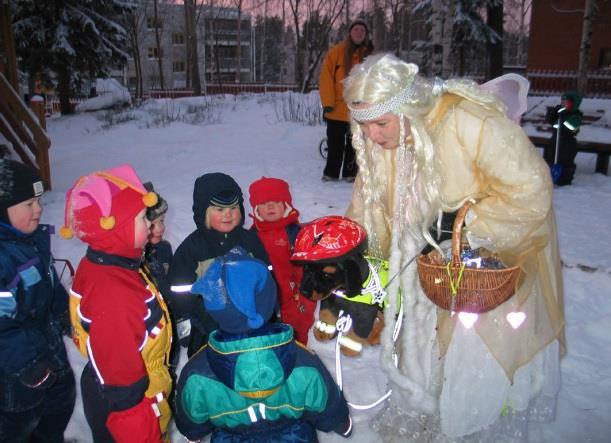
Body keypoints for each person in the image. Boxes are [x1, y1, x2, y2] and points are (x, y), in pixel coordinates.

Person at [342, 53, 565, 440]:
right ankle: (425, 414)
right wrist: (356, 259)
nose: (373, 136)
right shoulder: (379, 143)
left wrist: (466, 225)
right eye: (363, 126)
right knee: (421, 351)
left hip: (482, 269)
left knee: (469, 361)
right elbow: (369, 208)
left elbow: (531, 191)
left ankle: (466, 429)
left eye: (381, 123)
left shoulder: (468, 122)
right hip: (423, 273)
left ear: (407, 108)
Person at [174, 248, 353, 442]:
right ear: (269, 302)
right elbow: (328, 403)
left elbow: (191, 421)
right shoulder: (303, 361)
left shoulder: (198, 371)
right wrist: (342, 424)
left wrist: (192, 435)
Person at [60, 164, 173, 442]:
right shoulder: (114, 293)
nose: (149, 223)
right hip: (132, 407)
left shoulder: (110, 263)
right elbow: (125, 390)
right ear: (116, 228)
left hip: (127, 387)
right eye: (141, 218)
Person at [0, 160, 76, 442]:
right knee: (21, 424)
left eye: (39, 201)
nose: (39, 209)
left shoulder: (30, 244)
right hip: (17, 375)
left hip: (49, 350)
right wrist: (28, 363)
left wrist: (67, 317)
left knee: (59, 405)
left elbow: (52, 289)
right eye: (28, 204)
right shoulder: (4, 258)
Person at [168, 172, 268, 357]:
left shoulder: (250, 241)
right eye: (219, 210)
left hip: (250, 324)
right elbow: (180, 293)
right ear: (203, 212)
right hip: (209, 330)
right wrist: (199, 319)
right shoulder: (192, 249)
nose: (228, 214)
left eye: (233, 207)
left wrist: (266, 310)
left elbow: (266, 278)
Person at [248, 176, 316, 344]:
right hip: (262, 300)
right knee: (266, 338)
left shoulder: (296, 234)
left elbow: (306, 270)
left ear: (286, 205)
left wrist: (304, 300)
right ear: (256, 208)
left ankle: (298, 358)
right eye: (264, 203)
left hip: (293, 299)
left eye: (276, 202)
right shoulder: (250, 236)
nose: (270, 206)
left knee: (296, 336)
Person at [319, 18, 373, 182]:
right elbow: (326, 78)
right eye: (356, 29)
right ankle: (331, 173)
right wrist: (327, 103)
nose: (359, 32)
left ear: (366, 34)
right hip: (336, 109)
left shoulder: (371, 55)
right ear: (350, 33)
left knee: (355, 144)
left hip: (360, 109)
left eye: (362, 30)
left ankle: (350, 174)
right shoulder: (336, 52)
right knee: (335, 144)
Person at [544, 90, 583, 186]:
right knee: (550, 156)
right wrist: (552, 113)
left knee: (565, 161)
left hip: (568, 142)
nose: (563, 104)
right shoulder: (560, 112)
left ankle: (565, 178)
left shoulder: (576, 116)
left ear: (573, 104)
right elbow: (551, 122)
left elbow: (569, 126)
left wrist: (562, 116)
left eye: (566, 102)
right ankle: (548, 175)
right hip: (555, 139)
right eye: (562, 102)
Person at [142, 182, 172, 296]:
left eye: (162, 221)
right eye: (153, 225)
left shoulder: (164, 248)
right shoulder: (136, 260)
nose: (160, 228)